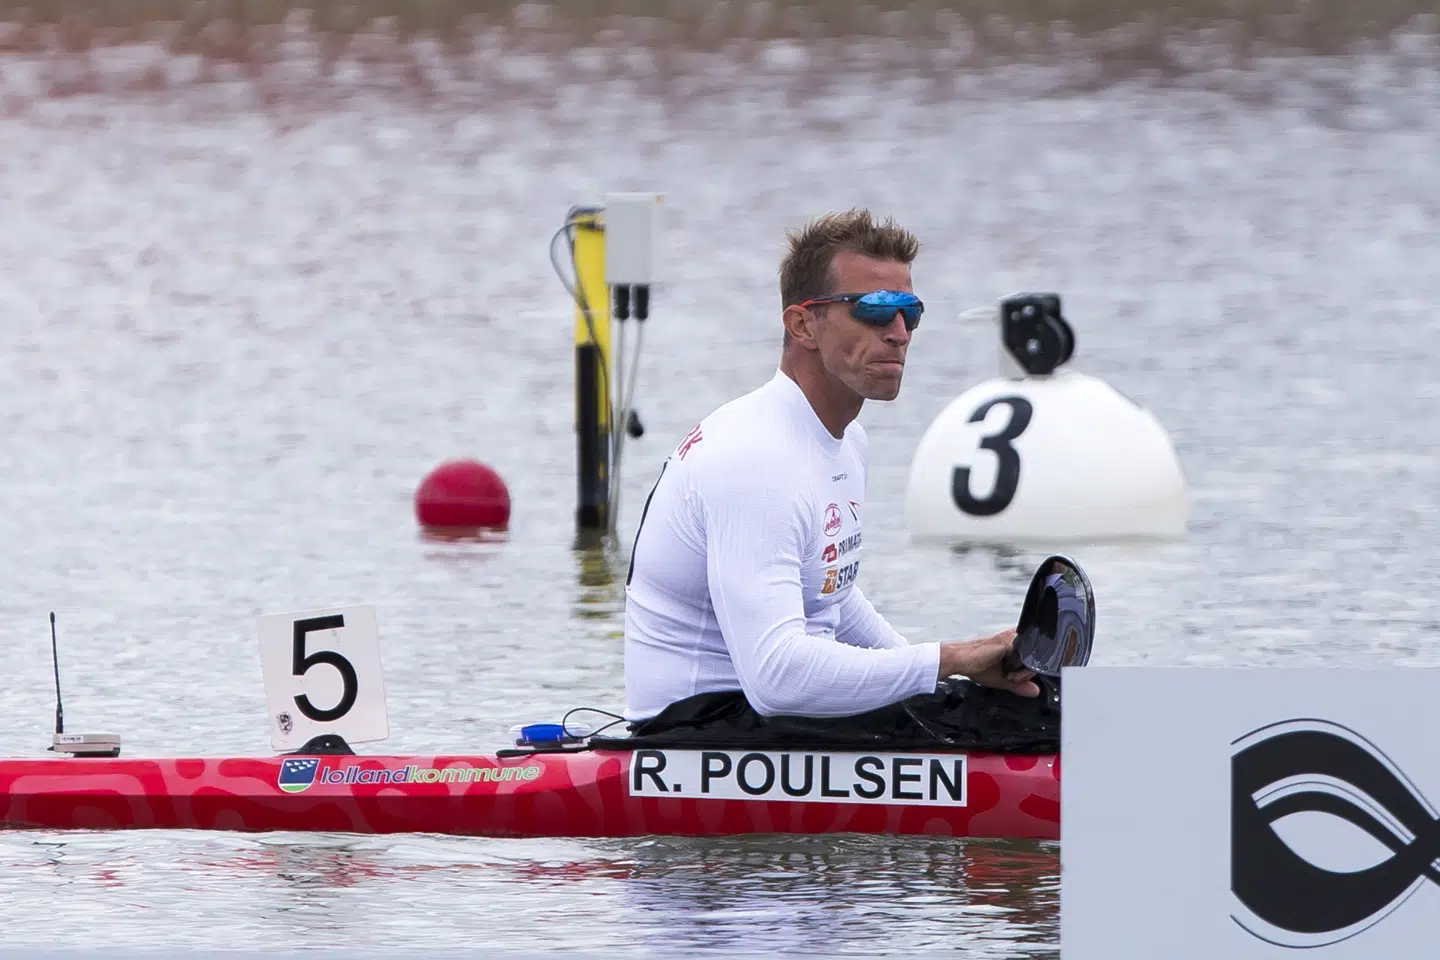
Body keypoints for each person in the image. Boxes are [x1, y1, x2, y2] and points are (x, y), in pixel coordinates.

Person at [620, 208, 1041, 732]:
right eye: (874, 310)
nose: (899, 333)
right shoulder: (754, 460)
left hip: (769, 713)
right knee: (1024, 728)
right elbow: (777, 678)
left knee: (1034, 702)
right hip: (698, 726)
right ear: (802, 324)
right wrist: (946, 660)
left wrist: (944, 681)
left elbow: (830, 597)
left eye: (910, 311)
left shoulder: (846, 442)